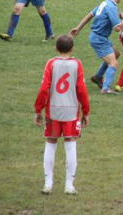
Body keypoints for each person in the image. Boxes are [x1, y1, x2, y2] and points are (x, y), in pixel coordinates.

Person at [34, 34, 90, 195]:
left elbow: (44, 88)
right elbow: (81, 89)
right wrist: (86, 111)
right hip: (71, 111)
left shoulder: (51, 63)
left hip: (53, 110)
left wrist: (38, 109)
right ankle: (69, 185)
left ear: (56, 48)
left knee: (50, 143)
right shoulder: (77, 65)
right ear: (72, 49)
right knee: (70, 143)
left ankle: (48, 184)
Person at [70, 0, 123, 94]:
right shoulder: (111, 7)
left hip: (99, 37)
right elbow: (117, 28)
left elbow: (90, 14)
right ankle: (105, 88)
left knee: (116, 53)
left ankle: (97, 77)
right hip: (99, 39)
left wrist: (78, 28)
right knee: (113, 63)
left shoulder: (104, 3)